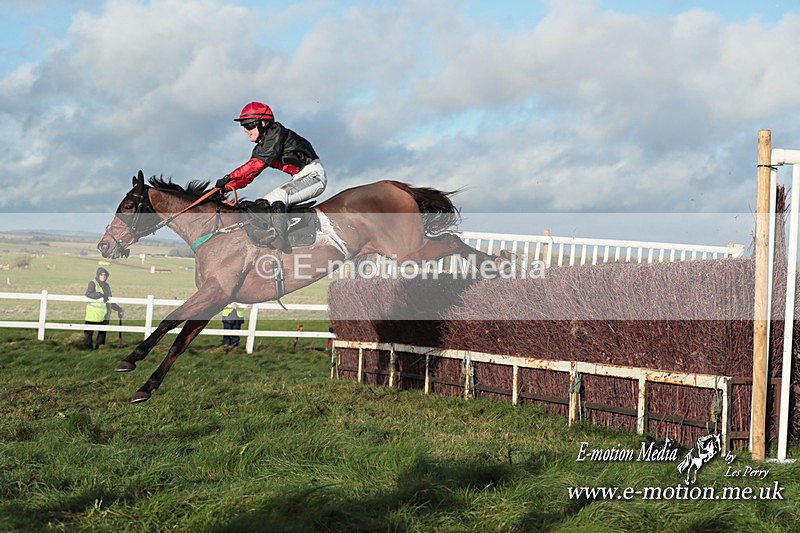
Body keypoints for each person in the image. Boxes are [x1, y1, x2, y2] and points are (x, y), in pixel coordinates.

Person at [215, 101, 326, 253]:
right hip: (300, 176)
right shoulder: (264, 145)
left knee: (278, 196)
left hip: (314, 175)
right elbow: (249, 175)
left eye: (248, 126)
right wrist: (227, 187)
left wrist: (229, 177)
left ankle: (280, 241)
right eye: (244, 127)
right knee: (266, 202)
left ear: (263, 122)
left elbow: (255, 165)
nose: (245, 131)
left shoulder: (276, 133)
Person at [84, 267, 123, 350]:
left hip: (105, 316)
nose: (103, 276)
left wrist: (118, 309)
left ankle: (99, 348)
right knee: (89, 333)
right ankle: (88, 349)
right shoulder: (93, 283)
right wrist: (100, 295)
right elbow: (88, 294)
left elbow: (109, 300)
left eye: (105, 275)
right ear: (98, 275)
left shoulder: (107, 286)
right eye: (101, 274)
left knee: (102, 333)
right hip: (93, 314)